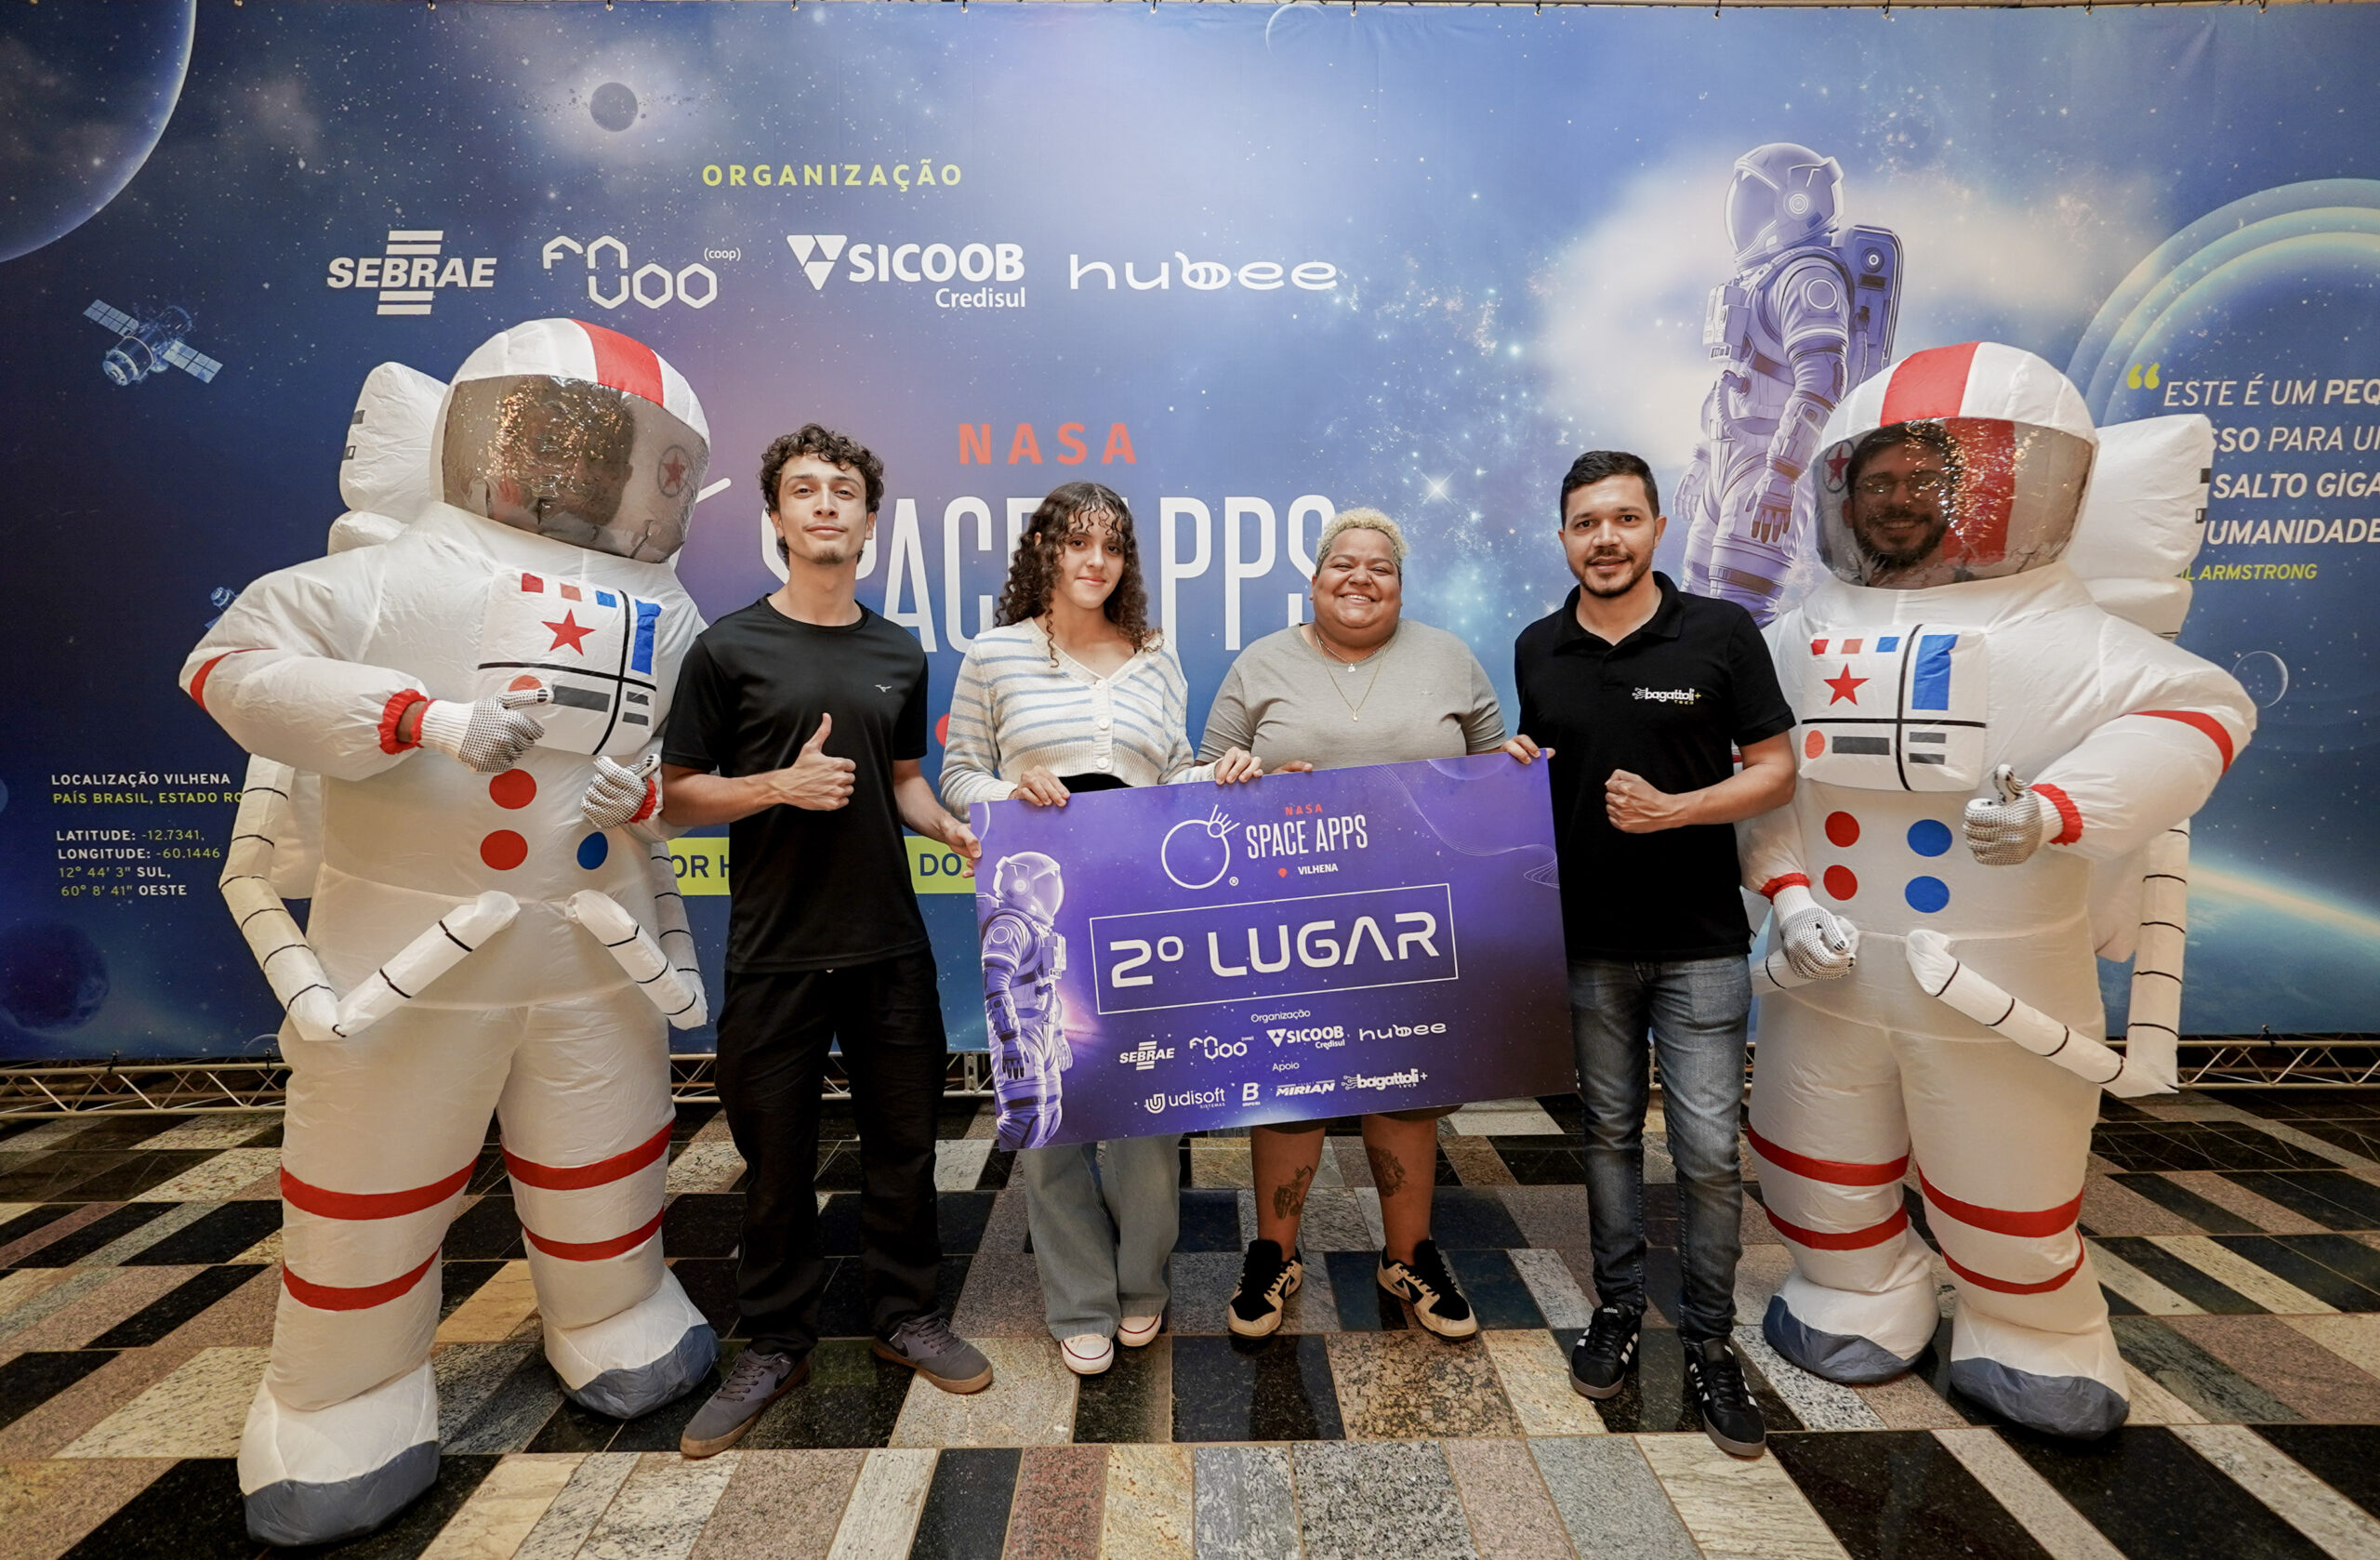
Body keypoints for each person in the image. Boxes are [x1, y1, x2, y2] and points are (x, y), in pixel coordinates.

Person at [182, 321, 720, 1544]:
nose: (595, 477)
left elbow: (695, 760)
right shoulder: (388, 577)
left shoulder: (670, 612)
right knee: (374, 1172)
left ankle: (613, 1305)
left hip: (591, 949)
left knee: (604, 1145)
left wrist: (642, 792)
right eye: (568, 441)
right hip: (404, 952)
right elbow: (232, 665)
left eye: (634, 458)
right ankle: (345, 1392)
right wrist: (419, 718)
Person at [1736, 342, 2254, 1439]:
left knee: (2005, 1169)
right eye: (1877, 480)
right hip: (1826, 973)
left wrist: (2058, 810)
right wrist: (1786, 896)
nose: (1897, 500)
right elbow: (1761, 784)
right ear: (1840, 493)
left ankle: (2032, 1329)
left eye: (1928, 478)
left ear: (2009, 485)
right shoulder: (1797, 639)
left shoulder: (2075, 640)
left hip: (1998, 979)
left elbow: (2198, 714)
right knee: (1813, 1156)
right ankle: (1854, 1286)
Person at [662, 424, 992, 1458]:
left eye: (843, 491)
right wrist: (779, 785)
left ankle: (905, 1315)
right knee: (775, 1161)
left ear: (868, 519)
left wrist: (947, 827)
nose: (824, 506)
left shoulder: (898, 651)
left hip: (888, 945)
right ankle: (774, 1340)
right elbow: (675, 797)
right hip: (775, 950)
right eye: (803, 490)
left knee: (905, 1147)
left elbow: (903, 782)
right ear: (775, 516)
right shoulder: (727, 649)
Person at [1506, 449, 1796, 1459]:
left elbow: (1776, 770)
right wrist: (1507, 767)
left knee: (1709, 1152)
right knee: (1609, 1137)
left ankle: (1712, 1339)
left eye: (1624, 518)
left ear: (1657, 527)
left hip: (1700, 943)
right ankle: (1619, 1309)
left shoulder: (1720, 631)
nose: (1606, 539)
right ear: (1563, 538)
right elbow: (1542, 775)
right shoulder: (1537, 647)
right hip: (1586, 944)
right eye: (1586, 522)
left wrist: (1678, 810)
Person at [1199, 508, 1507, 1342]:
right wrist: (1240, 776)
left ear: (1401, 585)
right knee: (1291, 1082)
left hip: (1415, 921)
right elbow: (1201, 773)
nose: (1361, 577)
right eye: (1344, 563)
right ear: (1314, 579)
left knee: (1409, 1082)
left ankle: (1408, 1255)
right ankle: (1274, 1253)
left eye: (1381, 566)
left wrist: (1512, 766)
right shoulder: (1262, 661)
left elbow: (1492, 775)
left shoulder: (1449, 658)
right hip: (1290, 919)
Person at [941, 481, 1224, 1378]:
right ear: (1046, 551)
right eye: (1077, 542)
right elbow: (958, 777)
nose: (1095, 560)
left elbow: (1175, 775)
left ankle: (1142, 1284)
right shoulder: (995, 654)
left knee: (1148, 1105)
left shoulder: (1157, 657)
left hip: (1142, 909)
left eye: (1112, 545)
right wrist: (1009, 789)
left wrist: (1227, 777)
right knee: (1050, 1104)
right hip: (1036, 910)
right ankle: (1078, 1300)